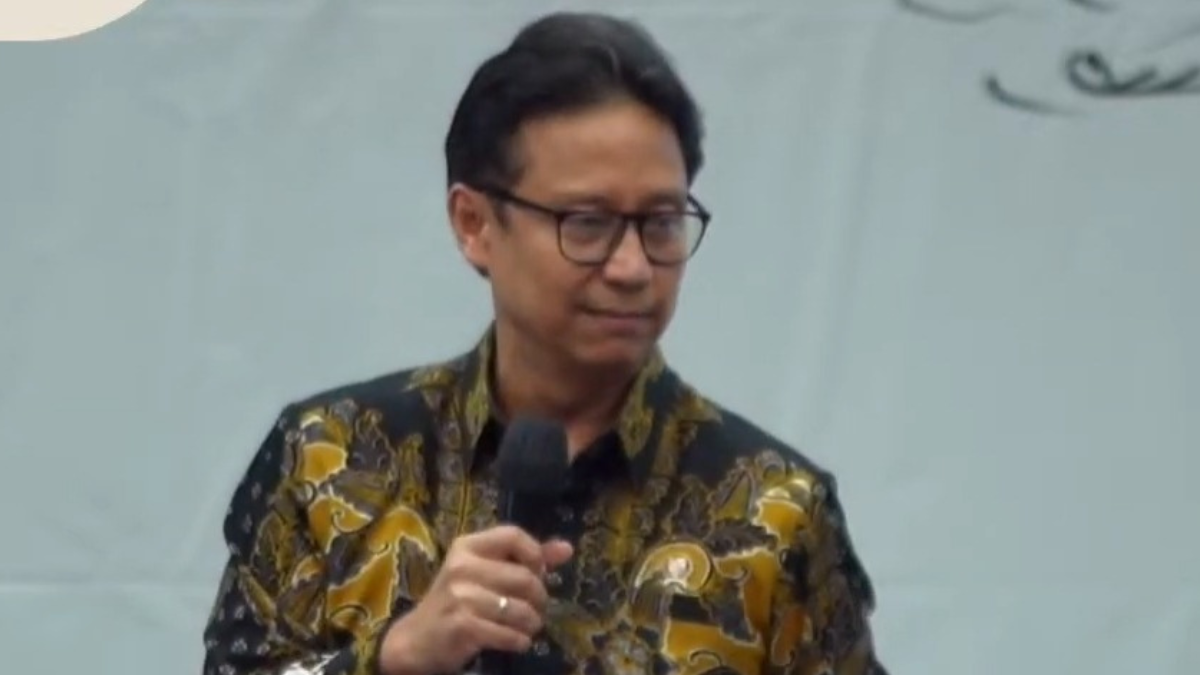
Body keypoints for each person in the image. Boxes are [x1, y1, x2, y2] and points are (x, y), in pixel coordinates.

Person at [201, 11, 888, 675]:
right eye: (587, 222)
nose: (632, 267)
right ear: (474, 224)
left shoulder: (776, 506)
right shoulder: (330, 456)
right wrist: (391, 658)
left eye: (660, 222)